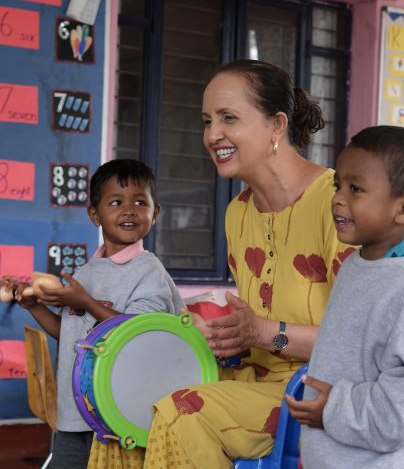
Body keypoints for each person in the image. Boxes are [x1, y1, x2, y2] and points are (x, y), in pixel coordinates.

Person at [87, 60, 354, 469]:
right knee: (123, 407)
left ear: (277, 125)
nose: (212, 135)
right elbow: (254, 328)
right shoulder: (239, 212)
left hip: (318, 392)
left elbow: (358, 343)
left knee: (181, 412)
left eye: (228, 117)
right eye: (207, 121)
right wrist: (224, 335)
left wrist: (266, 334)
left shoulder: (337, 204)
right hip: (249, 379)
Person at [286, 125, 404, 468]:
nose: (338, 198)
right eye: (338, 185)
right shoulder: (355, 266)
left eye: (356, 189)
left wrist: (335, 410)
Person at [4, 159, 185, 469]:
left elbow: (142, 334)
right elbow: (70, 333)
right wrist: (34, 306)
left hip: (120, 415)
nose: (129, 210)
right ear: (94, 214)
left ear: (154, 213)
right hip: (75, 412)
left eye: (140, 202)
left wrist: (86, 302)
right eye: (116, 202)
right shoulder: (87, 272)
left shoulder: (149, 271)